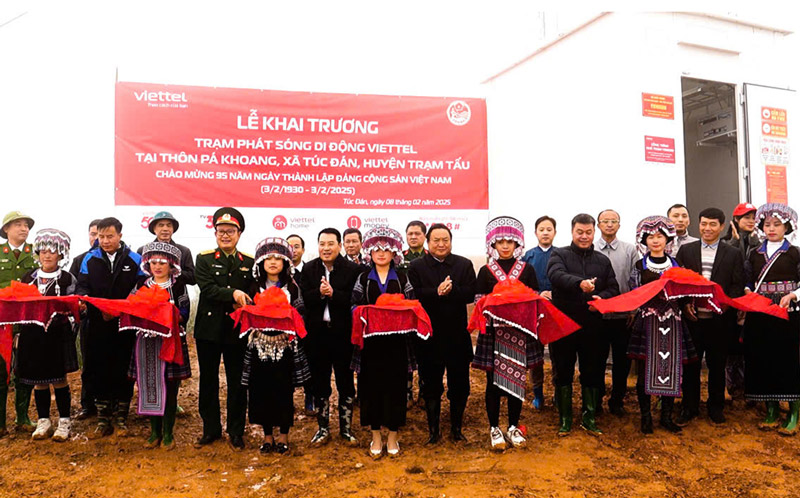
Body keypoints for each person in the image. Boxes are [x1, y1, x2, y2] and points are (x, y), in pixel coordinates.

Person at [547, 213, 619, 436]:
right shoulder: (559, 254)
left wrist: (602, 298)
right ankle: (565, 419)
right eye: (580, 232)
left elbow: (613, 288)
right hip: (564, 324)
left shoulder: (602, 260)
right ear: (572, 231)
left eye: (589, 232)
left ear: (594, 232)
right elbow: (556, 275)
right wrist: (580, 284)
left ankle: (589, 417)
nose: (584, 236)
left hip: (593, 325)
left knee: (592, 370)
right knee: (563, 370)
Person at [472, 216, 541, 450]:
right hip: (494, 333)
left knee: (516, 381)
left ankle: (512, 426)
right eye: (499, 241)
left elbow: (534, 297)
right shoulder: (485, 270)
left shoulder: (527, 269)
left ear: (517, 244)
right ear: (492, 244)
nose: (504, 246)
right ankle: (494, 427)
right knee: (493, 383)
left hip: (519, 332)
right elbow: (479, 300)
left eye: (509, 242)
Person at [626, 216, 696, 434]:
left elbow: (686, 292)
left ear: (668, 239)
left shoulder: (677, 266)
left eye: (660, 236)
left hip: (673, 321)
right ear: (644, 240)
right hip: (648, 320)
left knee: (672, 369)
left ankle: (666, 416)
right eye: (651, 237)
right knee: (645, 371)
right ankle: (645, 417)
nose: (655, 241)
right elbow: (634, 292)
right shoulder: (639, 266)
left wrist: (688, 302)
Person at [351, 226, 416, 458]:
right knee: (371, 388)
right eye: (376, 249)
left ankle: (393, 435)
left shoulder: (403, 277)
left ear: (393, 254)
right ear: (369, 252)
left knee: (396, 388)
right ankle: (376, 435)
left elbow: (412, 305)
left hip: (397, 343)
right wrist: (366, 313)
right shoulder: (361, 277)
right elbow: (353, 305)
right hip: (370, 343)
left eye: (385, 250)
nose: (380, 253)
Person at [76, 217, 144, 438]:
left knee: (123, 368)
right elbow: (82, 286)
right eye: (101, 236)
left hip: (125, 324)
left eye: (109, 236)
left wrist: (124, 307)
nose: (104, 241)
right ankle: (103, 418)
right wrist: (91, 304)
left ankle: (122, 418)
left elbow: (142, 287)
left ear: (120, 236)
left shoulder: (135, 259)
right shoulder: (90, 258)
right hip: (98, 323)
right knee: (99, 368)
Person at [675, 207, 744, 426]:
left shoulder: (732, 253)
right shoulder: (686, 251)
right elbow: (676, 283)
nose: (707, 228)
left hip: (719, 321)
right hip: (692, 320)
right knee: (691, 366)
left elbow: (737, 284)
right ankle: (690, 407)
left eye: (713, 224)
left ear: (722, 226)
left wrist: (725, 305)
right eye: (704, 223)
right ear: (699, 224)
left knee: (717, 365)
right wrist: (685, 304)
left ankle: (716, 407)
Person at [408, 223, 476, 444]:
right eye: (436, 240)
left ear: (451, 241)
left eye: (445, 240)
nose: (440, 244)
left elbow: (470, 293)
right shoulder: (417, 267)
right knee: (431, 385)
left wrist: (452, 290)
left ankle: (456, 428)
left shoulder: (463, 264)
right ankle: (433, 431)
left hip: (457, 336)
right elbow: (413, 295)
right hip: (428, 337)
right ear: (428, 242)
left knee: (460, 385)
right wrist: (435, 292)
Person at [194, 207, 255, 450]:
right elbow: (207, 289)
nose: (226, 235)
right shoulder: (205, 258)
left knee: (238, 383)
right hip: (208, 330)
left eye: (231, 231)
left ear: (239, 233)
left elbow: (251, 293)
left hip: (236, 330)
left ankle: (236, 431)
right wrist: (233, 294)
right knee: (208, 381)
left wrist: (241, 295)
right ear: (215, 232)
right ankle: (210, 430)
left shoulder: (249, 262)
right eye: (221, 231)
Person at [243, 237, 310, 454]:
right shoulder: (253, 286)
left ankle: (283, 436)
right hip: (259, 345)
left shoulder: (292, 286)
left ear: (285, 263)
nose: (273, 262)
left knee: (283, 390)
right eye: (268, 258)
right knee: (261, 389)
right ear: (260, 262)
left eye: (278, 258)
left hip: (285, 345)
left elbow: (300, 313)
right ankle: (267, 436)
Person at [300, 228, 361, 446]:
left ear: (340, 246)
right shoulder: (309, 268)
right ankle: (323, 428)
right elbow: (304, 299)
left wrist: (334, 294)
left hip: (343, 335)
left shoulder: (353, 270)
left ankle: (346, 429)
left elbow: (355, 300)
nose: (326, 248)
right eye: (322, 244)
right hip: (317, 335)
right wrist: (319, 293)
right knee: (320, 382)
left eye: (331, 244)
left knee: (345, 382)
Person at [743, 203, 800, 435]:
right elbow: (747, 279)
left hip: (788, 311)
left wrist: (794, 294)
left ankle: (794, 411)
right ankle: (771, 410)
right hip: (760, 311)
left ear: (786, 226)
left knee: (788, 358)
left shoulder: (795, 252)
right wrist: (748, 291)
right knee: (762, 357)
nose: (772, 228)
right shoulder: (754, 252)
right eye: (767, 225)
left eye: (777, 224)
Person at [129, 242, 192, 450]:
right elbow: (131, 306)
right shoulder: (141, 285)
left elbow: (184, 313)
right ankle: (154, 432)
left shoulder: (178, 286)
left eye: (162, 262)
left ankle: (168, 433)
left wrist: (167, 312)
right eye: (153, 262)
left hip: (170, 339)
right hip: (146, 341)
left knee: (170, 387)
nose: (157, 266)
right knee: (148, 386)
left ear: (171, 265)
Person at [17, 229, 77, 442]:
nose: (47, 255)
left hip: (56, 336)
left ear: (61, 253)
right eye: (43, 251)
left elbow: (73, 310)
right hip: (32, 336)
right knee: (38, 381)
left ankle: (64, 421)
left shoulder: (67, 279)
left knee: (59, 379)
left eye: (53, 251)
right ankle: (43, 420)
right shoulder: (29, 277)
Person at [595, 209, 639, 415]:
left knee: (622, 361)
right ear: (598, 225)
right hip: (598, 316)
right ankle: (596, 400)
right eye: (605, 221)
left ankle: (617, 400)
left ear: (619, 225)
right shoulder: (591, 249)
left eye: (614, 221)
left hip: (624, 316)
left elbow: (634, 281)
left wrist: (634, 309)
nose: (610, 224)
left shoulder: (630, 250)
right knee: (597, 359)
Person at [0, 210, 38, 434]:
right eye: (18, 225)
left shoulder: (35, 253)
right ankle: (0, 422)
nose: (24, 228)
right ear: (6, 229)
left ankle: (22, 418)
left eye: (26, 225)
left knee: (25, 368)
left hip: (26, 320)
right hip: (1, 321)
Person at [722, 202, 759, 402]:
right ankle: (730, 384)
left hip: (753, 302)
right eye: (746, 217)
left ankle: (749, 387)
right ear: (735, 220)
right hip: (731, 302)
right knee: (731, 344)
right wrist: (735, 244)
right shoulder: (726, 243)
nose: (751, 221)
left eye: (753, 218)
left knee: (749, 345)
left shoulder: (759, 244)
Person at [522, 215, 557, 410]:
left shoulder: (562, 254)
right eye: (541, 229)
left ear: (554, 232)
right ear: (535, 233)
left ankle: (558, 393)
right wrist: (537, 294)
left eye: (549, 229)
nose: (545, 232)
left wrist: (553, 294)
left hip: (556, 309)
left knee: (558, 353)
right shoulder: (528, 256)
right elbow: (521, 284)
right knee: (535, 356)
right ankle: (538, 394)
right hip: (533, 310)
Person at [70, 219, 102, 420]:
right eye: (93, 234)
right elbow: (74, 290)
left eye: (102, 234)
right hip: (89, 319)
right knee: (89, 363)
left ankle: (114, 405)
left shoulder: (122, 258)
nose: (97, 239)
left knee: (112, 362)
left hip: (112, 319)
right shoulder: (80, 259)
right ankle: (87, 404)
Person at [399, 220, 427, 408]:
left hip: (424, 313)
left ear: (424, 236)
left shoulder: (430, 257)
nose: (414, 237)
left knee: (425, 355)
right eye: (410, 234)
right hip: (403, 315)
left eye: (417, 233)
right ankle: (407, 392)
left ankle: (424, 392)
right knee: (405, 356)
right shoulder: (398, 259)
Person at [286, 233, 314, 414]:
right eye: (289, 246)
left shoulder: (311, 270)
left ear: (303, 250)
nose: (293, 250)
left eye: (297, 246)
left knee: (309, 362)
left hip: (307, 325)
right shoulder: (279, 271)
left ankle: (310, 398)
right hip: (285, 327)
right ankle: (287, 400)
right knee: (286, 364)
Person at [137, 211, 195, 286]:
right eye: (161, 225)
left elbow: (192, 279)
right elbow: (138, 276)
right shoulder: (143, 251)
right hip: (149, 293)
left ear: (173, 229)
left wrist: (173, 271)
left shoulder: (183, 251)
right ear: (154, 229)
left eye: (169, 225)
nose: (165, 229)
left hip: (176, 294)